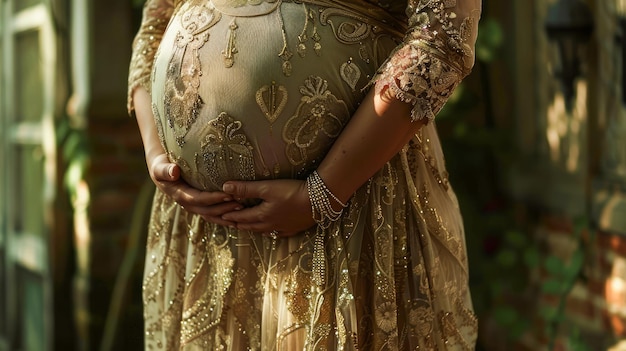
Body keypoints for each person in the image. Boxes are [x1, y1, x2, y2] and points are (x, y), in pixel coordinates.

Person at [128, 0, 481, 349]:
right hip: (202, 225)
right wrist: (155, 149)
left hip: (353, 207)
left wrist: (324, 193)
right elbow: (156, 19)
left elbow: (442, 37)